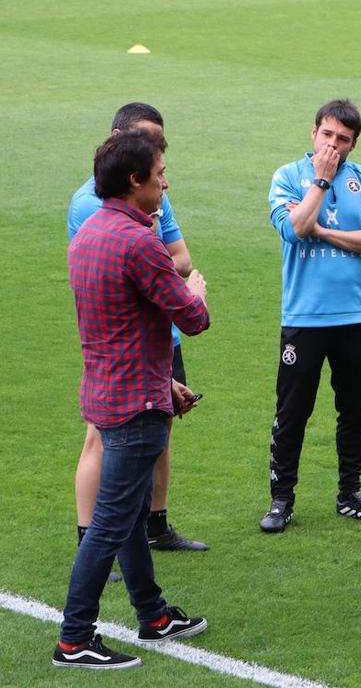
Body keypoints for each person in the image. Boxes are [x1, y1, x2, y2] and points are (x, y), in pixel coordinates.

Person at [53, 129, 211, 669]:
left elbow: (113, 328)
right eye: (159, 173)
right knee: (112, 523)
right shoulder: (140, 242)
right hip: (135, 407)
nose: (165, 181)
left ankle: (154, 614)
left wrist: (165, 382)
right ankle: (75, 638)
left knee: (129, 512)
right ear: (134, 180)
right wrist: (195, 291)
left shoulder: (88, 234)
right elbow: (193, 319)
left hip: (106, 390)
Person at [68, 103, 208, 556]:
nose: (157, 156)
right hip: (120, 346)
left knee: (160, 431)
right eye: (147, 142)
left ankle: (155, 527)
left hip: (158, 341)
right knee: (104, 444)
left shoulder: (153, 194)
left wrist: (159, 268)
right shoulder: (91, 205)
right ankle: (89, 541)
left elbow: (180, 257)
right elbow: (158, 269)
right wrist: (179, 287)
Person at [261, 99, 361, 533]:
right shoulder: (288, 176)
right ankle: (282, 500)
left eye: (344, 139)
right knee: (293, 411)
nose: (333, 145)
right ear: (313, 132)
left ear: (355, 143)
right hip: (304, 318)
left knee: (355, 410)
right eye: (328, 135)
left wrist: (323, 231)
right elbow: (294, 228)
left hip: (356, 316)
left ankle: (350, 493)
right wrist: (320, 180)